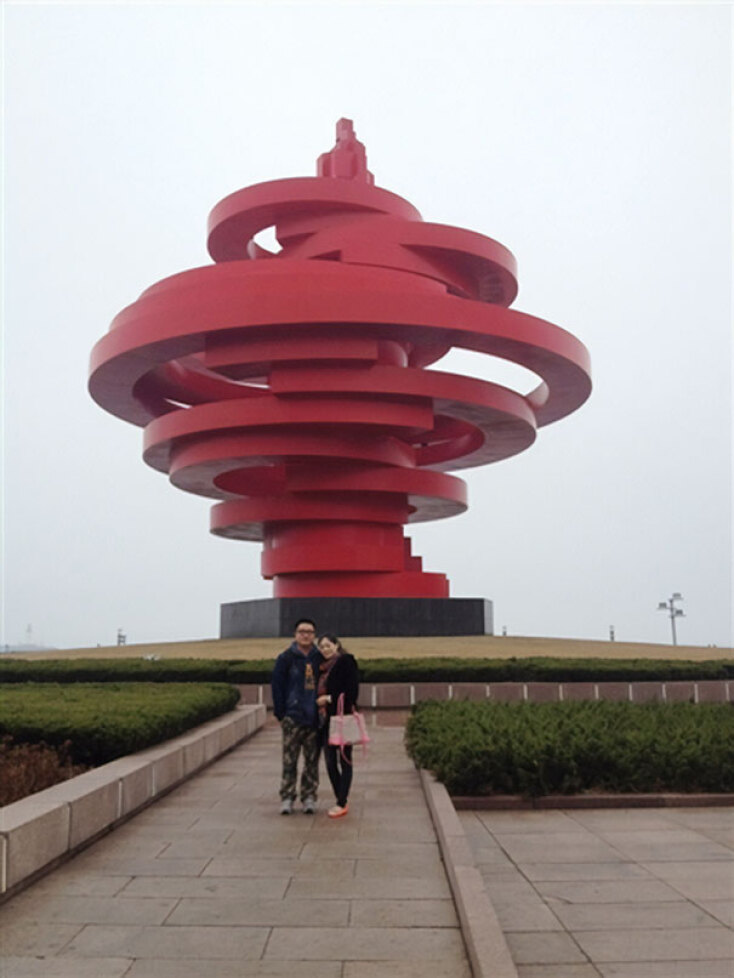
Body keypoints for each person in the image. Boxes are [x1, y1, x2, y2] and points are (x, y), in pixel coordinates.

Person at [271, 618, 323, 815]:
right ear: (295, 634)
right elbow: (277, 686)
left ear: (314, 635)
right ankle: (287, 796)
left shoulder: (320, 658)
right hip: (292, 716)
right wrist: (281, 713)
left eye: (309, 632)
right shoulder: (285, 658)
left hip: (314, 717)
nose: (305, 635)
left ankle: (309, 796)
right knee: (289, 760)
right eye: (302, 631)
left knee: (312, 761)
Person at [316, 633, 360, 819]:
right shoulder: (321, 668)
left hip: (342, 718)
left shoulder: (346, 662)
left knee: (345, 760)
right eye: (322, 647)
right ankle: (340, 798)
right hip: (326, 721)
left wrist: (327, 698)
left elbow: (352, 693)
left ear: (336, 645)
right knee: (330, 762)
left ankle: (341, 802)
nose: (325, 649)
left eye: (328, 645)